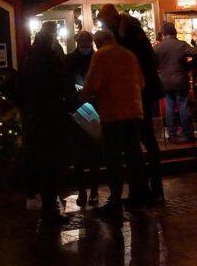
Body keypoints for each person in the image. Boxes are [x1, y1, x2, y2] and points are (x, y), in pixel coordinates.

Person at [97, 4, 165, 202]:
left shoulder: (127, 37)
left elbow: (135, 65)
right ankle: (146, 188)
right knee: (141, 141)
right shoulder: (131, 33)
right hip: (142, 91)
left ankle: (149, 189)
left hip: (138, 92)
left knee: (140, 141)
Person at [81, 29, 148, 215]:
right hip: (134, 111)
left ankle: (115, 198)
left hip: (113, 113)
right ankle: (137, 195)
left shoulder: (101, 55)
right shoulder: (129, 54)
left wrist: (83, 94)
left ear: (99, 42)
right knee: (134, 155)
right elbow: (141, 82)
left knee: (113, 158)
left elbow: (93, 84)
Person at [20, 25, 76, 224]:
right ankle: (50, 207)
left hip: (33, 117)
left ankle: (36, 197)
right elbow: (65, 86)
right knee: (52, 163)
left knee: (37, 158)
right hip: (52, 117)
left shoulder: (28, 60)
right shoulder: (52, 61)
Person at [65, 30, 100, 206]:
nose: (85, 46)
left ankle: (87, 191)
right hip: (84, 110)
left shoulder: (71, 59)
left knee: (86, 154)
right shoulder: (91, 58)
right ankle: (87, 191)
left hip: (82, 109)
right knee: (87, 154)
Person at [155, 22, 197, 142]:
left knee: (169, 107)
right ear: (175, 32)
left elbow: (152, 62)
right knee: (183, 106)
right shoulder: (181, 44)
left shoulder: (158, 47)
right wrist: (187, 66)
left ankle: (172, 135)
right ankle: (188, 134)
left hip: (165, 81)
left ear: (163, 34)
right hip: (180, 80)